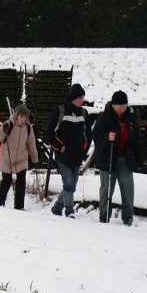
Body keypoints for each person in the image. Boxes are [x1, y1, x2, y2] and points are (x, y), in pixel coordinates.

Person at [93, 90, 144, 226]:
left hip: (125, 158)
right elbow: (96, 139)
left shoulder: (130, 119)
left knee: (128, 186)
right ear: (113, 105)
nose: (122, 109)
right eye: (119, 106)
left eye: (124, 106)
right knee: (107, 188)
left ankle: (128, 217)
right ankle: (104, 216)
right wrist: (107, 137)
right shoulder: (104, 117)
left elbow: (137, 140)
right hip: (107, 157)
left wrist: (139, 161)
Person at [44, 84, 92, 218]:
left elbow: (89, 134)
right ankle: (69, 210)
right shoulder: (59, 111)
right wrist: (60, 147)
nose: (83, 100)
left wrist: (84, 150)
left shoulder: (84, 113)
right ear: (74, 98)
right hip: (63, 156)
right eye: (81, 97)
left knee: (71, 186)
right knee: (69, 183)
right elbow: (48, 134)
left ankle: (57, 207)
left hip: (77, 157)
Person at [0, 104, 39, 210]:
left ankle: (19, 206)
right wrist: (3, 130)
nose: (23, 119)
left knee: (21, 183)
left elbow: (31, 144)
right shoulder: (8, 124)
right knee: (7, 181)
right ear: (16, 115)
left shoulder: (28, 128)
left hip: (21, 159)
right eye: (21, 116)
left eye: (25, 116)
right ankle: (0, 202)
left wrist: (35, 158)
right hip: (7, 158)